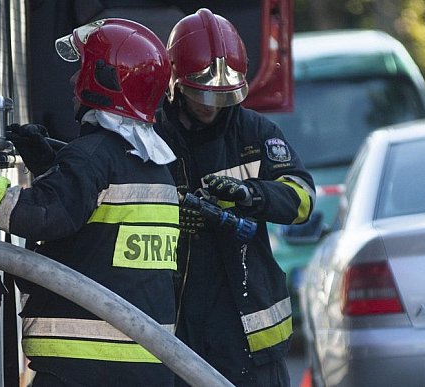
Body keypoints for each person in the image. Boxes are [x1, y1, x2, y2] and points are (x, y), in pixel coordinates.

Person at [0, 18, 180, 387]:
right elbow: (94, 223)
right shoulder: (154, 167)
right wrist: (48, 163)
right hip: (148, 361)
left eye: (81, 69)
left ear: (104, 80)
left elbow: (40, 216)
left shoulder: (93, 157)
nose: (73, 81)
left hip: (83, 363)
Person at [153, 9, 315, 387]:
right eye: (200, 95)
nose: (210, 107)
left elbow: (302, 198)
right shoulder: (152, 136)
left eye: (221, 96)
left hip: (249, 331)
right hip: (177, 320)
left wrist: (252, 194)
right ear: (176, 84)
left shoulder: (256, 134)